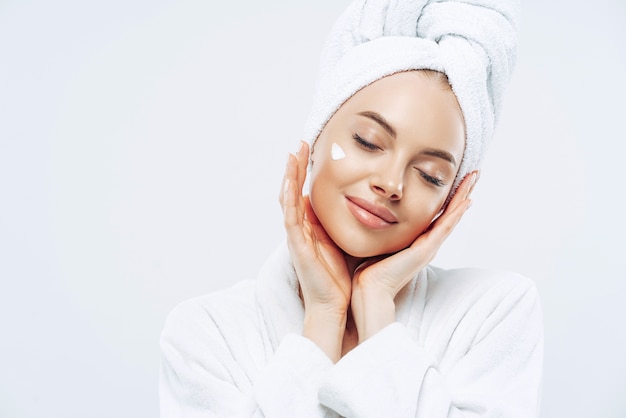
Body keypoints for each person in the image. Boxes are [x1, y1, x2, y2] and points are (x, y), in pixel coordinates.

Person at [159, 1, 543, 417]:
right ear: (316, 135)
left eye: (431, 176)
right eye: (368, 141)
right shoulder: (205, 332)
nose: (391, 184)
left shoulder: (492, 313)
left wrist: (378, 310)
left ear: (450, 201)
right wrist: (323, 317)